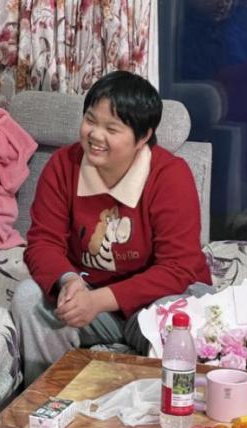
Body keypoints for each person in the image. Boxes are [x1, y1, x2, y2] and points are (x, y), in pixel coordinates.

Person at [11, 71, 213, 385]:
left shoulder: (170, 175)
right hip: (89, 298)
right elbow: (43, 242)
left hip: (157, 300)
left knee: (181, 322)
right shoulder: (63, 165)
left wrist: (100, 300)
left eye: (111, 129)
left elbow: (178, 268)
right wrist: (69, 282)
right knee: (28, 299)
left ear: (143, 137)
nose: (95, 135)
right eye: (90, 120)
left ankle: (165, 408)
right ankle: (49, 399)